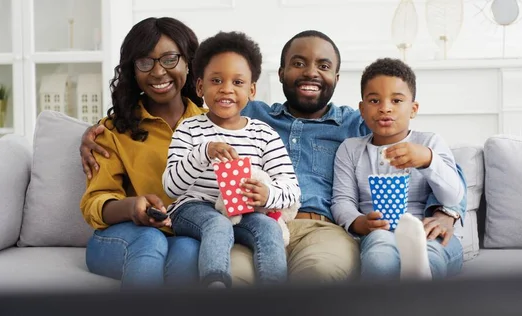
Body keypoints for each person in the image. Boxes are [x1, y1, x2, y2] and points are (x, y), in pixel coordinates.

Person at [81, 29, 467, 284]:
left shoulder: (359, 122)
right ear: (278, 74)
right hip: (249, 225)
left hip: (321, 229)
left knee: (316, 277)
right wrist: (97, 127)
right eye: (298, 63)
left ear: (336, 77)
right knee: (234, 278)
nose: (310, 73)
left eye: (324, 66)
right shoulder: (251, 115)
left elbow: (429, 158)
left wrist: (446, 211)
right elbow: (203, 109)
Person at [79, 17, 253, 289]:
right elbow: (94, 203)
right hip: (121, 237)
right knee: (151, 239)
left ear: (190, 63)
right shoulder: (112, 131)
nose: (158, 72)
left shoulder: (218, 122)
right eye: (145, 63)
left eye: (170, 59)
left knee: (187, 251)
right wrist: (132, 208)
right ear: (133, 71)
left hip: (182, 233)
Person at [163, 31, 300, 288]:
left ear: (252, 90)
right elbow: (171, 187)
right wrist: (203, 152)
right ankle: (216, 286)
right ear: (200, 86)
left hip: (245, 213)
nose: (226, 88)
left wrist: (266, 194)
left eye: (237, 82)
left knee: (269, 229)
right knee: (217, 224)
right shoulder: (189, 129)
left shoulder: (264, 134)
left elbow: (291, 189)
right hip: (194, 209)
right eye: (216, 80)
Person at [331, 58, 465, 281]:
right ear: (362, 110)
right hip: (378, 231)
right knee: (378, 252)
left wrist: (427, 160)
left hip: (427, 230)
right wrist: (358, 222)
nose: (385, 108)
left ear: (413, 109)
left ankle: (419, 279)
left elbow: (453, 195)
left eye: (396, 100)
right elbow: (342, 200)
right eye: (374, 100)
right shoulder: (351, 149)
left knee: (432, 253)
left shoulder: (429, 143)